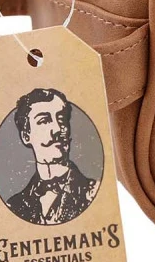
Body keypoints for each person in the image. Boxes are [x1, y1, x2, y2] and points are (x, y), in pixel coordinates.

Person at [6, 88, 99, 224]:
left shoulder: (92, 192)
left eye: (61, 119)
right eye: (44, 121)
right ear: (26, 136)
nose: (57, 129)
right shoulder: (15, 206)